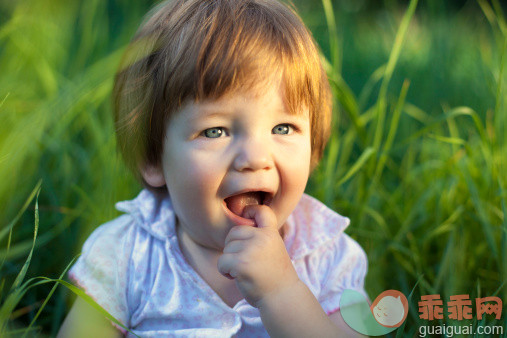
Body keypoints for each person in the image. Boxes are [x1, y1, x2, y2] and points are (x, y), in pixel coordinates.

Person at [58, 0, 368, 336]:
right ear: (152, 158)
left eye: (282, 128)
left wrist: (282, 292)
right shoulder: (124, 257)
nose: (254, 157)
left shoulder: (329, 257)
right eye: (215, 131)